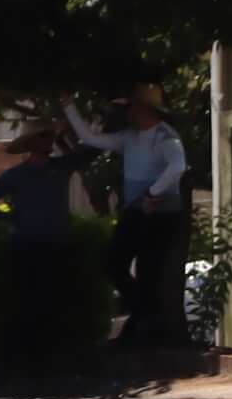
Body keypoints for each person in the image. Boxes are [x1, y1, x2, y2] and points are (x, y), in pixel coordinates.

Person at [73, 84, 195, 345]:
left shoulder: (165, 136)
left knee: (150, 269)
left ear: (147, 110)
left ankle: (145, 327)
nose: (129, 113)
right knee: (115, 264)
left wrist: (153, 192)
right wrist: (67, 106)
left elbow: (177, 166)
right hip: (135, 211)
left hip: (160, 214)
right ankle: (144, 315)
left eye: (133, 108)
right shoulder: (129, 137)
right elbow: (91, 138)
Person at [0, 126, 89, 364]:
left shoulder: (61, 167)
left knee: (56, 301)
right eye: (40, 142)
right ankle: (28, 354)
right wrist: (9, 218)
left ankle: (54, 353)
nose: (45, 148)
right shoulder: (16, 175)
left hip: (58, 243)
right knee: (29, 301)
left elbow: (87, 153)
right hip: (27, 244)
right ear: (30, 148)